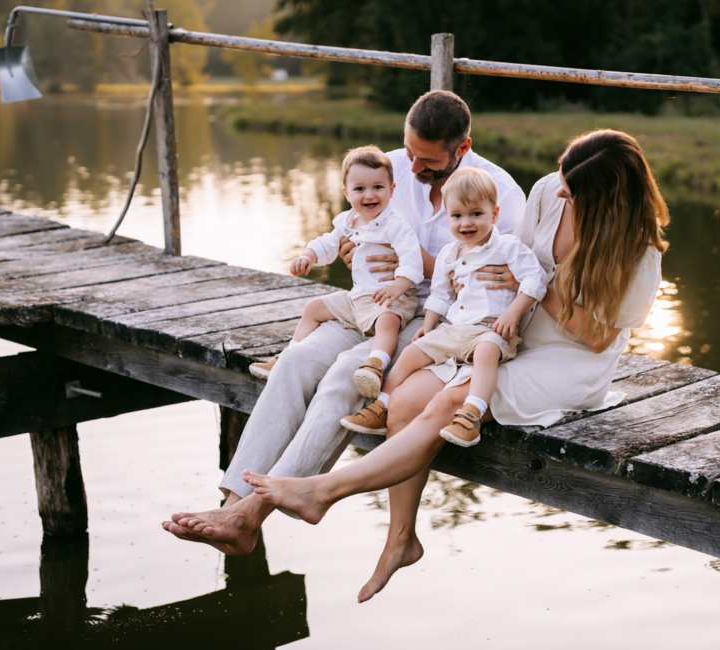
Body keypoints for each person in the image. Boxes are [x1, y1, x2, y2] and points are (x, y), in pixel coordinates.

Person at [242, 129, 670, 602]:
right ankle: (401, 540)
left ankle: (322, 490)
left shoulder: (639, 251)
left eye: (573, 192)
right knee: (403, 400)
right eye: (563, 182)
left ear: (607, 199)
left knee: (451, 400)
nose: (561, 192)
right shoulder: (551, 189)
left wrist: (535, 290)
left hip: (570, 357)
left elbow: (594, 336)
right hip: (508, 326)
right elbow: (506, 255)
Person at [163, 90, 526, 555]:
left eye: (428, 161)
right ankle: (233, 503)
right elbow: (350, 231)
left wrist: (416, 263)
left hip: (431, 320)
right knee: (296, 361)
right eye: (410, 153)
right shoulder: (390, 168)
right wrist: (353, 250)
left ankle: (249, 516)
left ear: (463, 147)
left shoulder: (500, 194)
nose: (413, 168)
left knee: (343, 378)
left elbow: (505, 280)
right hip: (364, 303)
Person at [341, 167, 546, 446]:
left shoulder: (507, 247)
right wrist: (427, 326)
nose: (466, 223)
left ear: (494, 214)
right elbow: (440, 294)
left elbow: (535, 280)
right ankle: (382, 406)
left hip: (489, 328)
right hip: (453, 329)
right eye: (457, 216)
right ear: (448, 216)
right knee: (411, 353)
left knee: (486, 352)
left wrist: (513, 312)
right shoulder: (450, 253)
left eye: (476, 214)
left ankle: (472, 414)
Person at [258, 145, 423, 399]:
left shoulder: (396, 225)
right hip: (358, 298)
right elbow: (327, 243)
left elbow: (412, 260)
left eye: (378, 187)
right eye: (359, 189)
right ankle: (288, 355)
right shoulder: (347, 221)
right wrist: (308, 255)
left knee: (387, 321)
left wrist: (397, 287)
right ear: (347, 193)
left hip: (390, 297)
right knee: (313, 307)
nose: (369, 195)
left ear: (391, 190)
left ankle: (375, 365)